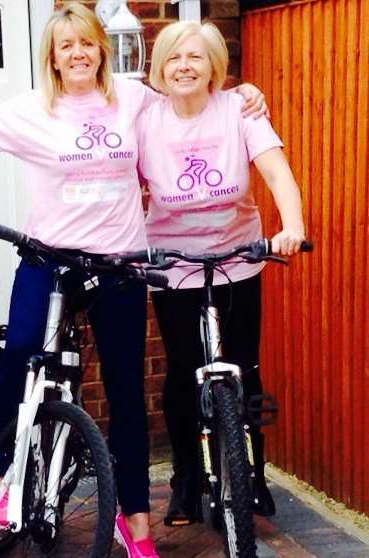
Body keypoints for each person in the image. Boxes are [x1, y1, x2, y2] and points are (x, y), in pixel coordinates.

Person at [0, 3, 267, 557]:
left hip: (118, 264)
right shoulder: (31, 109)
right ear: (52, 53)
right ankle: (4, 483)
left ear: (100, 48)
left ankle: (135, 520)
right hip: (49, 258)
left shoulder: (133, 98)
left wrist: (244, 93)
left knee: (125, 390)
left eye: (86, 43)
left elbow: (194, 93)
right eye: (65, 45)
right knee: (21, 356)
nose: (77, 53)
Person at [137, 21, 305, 527]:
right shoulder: (145, 117)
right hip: (174, 265)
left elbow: (275, 171)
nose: (183, 66)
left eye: (195, 57)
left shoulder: (239, 109)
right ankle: (186, 479)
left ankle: (253, 474)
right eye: (173, 58)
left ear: (215, 66)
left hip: (238, 256)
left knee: (245, 368)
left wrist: (291, 225)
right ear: (160, 68)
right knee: (184, 371)